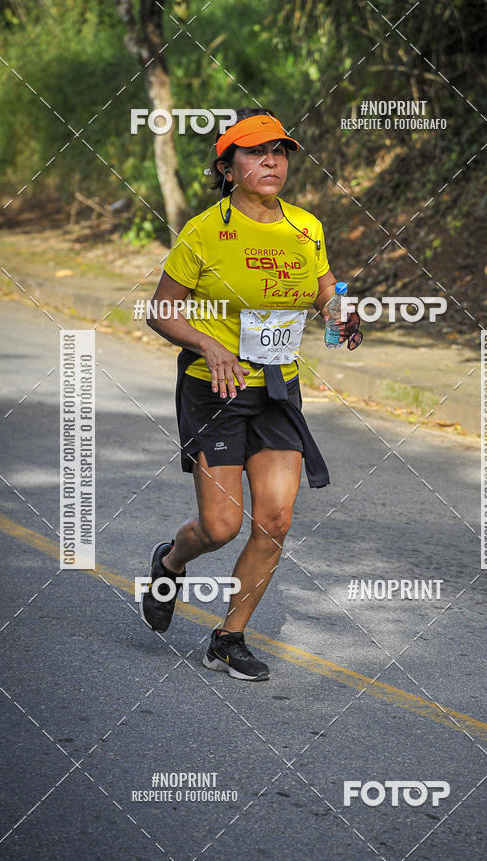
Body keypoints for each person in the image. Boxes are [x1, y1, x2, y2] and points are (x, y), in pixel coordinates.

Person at [141, 107, 362, 681]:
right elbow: (162, 311)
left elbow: (324, 295)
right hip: (214, 390)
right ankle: (169, 561)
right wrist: (208, 346)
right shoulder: (204, 231)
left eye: (281, 151)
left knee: (277, 520)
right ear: (228, 166)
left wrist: (342, 314)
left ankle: (228, 637)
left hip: (278, 391)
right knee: (220, 527)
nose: (272, 160)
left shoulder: (306, 227)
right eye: (256, 152)